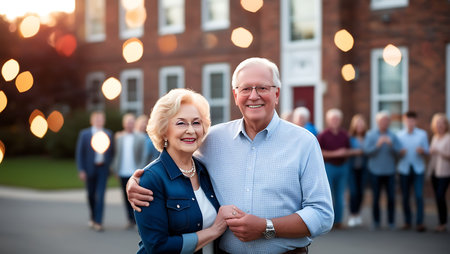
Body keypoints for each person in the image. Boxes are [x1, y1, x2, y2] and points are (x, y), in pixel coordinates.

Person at [127, 57, 334, 253]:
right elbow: (175, 160)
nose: (253, 96)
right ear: (236, 95)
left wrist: (266, 227)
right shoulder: (213, 139)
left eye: (262, 87)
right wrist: (138, 181)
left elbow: (322, 215)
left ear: (277, 94)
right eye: (245, 89)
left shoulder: (304, 142)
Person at [134, 88, 233, 253]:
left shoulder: (205, 171)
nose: (191, 130)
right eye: (181, 123)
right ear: (164, 131)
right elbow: (158, 247)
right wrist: (214, 231)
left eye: (196, 122)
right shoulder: (151, 179)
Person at [75, 111, 114, 232]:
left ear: (104, 120)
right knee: (91, 195)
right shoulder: (85, 134)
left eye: (101, 119)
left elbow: (112, 152)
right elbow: (80, 153)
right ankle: (92, 216)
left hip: (103, 169)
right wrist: (81, 169)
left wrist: (110, 166)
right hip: (89, 169)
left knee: (101, 195)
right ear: (92, 121)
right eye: (97, 119)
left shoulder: (108, 134)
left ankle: (98, 221)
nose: (99, 121)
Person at [364, 111, 402, 230]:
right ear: (377, 122)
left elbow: (399, 153)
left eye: (386, 121)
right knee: (376, 198)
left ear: (389, 122)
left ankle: (391, 222)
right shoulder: (370, 135)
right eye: (381, 121)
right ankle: (376, 222)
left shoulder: (393, 135)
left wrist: (391, 145)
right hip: (375, 171)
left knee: (391, 198)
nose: (384, 123)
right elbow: (367, 152)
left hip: (390, 172)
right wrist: (377, 145)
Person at [318, 108, 353, 229]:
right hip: (329, 167)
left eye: (337, 119)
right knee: (328, 196)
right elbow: (318, 153)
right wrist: (336, 154)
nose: (335, 121)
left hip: (343, 168)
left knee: (340, 195)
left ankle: (339, 221)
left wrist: (346, 153)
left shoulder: (344, 134)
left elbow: (348, 150)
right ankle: (329, 222)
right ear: (328, 120)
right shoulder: (323, 135)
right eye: (333, 119)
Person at [111, 113, 147, 229]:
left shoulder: (141, 137)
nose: (129, 125)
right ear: (124, 124)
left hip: (135, 173)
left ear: (134, 124)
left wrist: (141, 169)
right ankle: (130, 220)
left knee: (136, 197)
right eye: (127, 122)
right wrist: (115, 169)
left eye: (131, 122)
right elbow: (117, 154)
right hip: (122, 172)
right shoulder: (119, 137)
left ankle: (138, 220)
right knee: (126, 197)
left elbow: (144, 155)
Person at [396, 111, 429, 232]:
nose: (410, 123)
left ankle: (420, 222)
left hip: (418, 169)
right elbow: (396, 153)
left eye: (412, 120)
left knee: (419, 195)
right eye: (408, 120)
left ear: (416, 121)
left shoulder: (422, 134)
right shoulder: (399, 135)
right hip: (403, 169)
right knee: (405, 197)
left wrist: (423, 151)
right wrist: (399, 153)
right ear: (404, 121)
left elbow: (427, 150)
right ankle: (407, 221)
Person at [427, 113, 450, 233]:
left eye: (442, 123)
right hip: (434, 171)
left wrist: (439, 151)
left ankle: (443, 222)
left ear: (446, 125)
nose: (440, 126)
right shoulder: (434, 137)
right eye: (437, 124)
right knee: (438, 197)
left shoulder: (448, 138)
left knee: (441, 195)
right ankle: (441, 222)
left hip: (445, 172)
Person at [347, 114, 369, 227]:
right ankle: (352, 215)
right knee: (353, 192)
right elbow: (346, 151)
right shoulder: (349, 137)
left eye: (361, 124)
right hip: (352, 169)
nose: (359, 126)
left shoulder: (368, 137)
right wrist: (355, 152)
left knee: (361, 192)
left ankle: (358, 213)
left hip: (364, 169)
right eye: (357, 124)